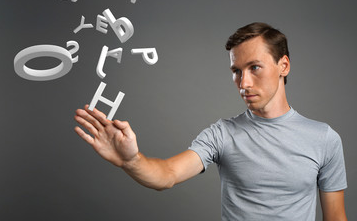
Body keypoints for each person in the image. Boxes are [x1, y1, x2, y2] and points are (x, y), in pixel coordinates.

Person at [74, 22, 347, 220]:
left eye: (254, 67)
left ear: (283, 66)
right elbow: (166, 175)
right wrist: (130, 161)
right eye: (236, 71)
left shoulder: (324, 138)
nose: (244, 83)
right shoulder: (222, 134)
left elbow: (335, 216)